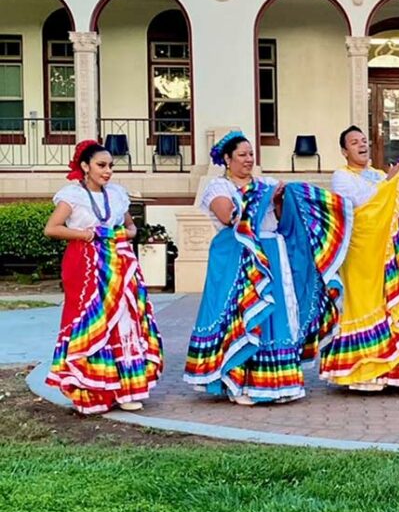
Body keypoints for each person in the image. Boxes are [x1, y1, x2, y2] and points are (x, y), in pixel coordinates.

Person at [184, 131, 351, 405]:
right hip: (238, 260)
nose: (248, 160)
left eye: (251, 154)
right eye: (242, 155)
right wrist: (265, 197)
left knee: (275, 315)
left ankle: (275, 383)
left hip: (273, 253)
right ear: (227, 159)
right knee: (244, 317)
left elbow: (282, 219)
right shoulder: (218, 188)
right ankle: (240, 383)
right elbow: (229, 218)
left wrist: (279, 200)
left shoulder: (265, 184)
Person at [43, 139, 163, 414]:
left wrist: (118, 236)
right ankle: (91, 391)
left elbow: (132, 229)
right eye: (101, 165)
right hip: (85, 264)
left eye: (110, 166)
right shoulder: (73, 195)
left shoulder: (118, 194)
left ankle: (126, 390)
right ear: (85, 166)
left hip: (119, 263)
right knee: (90, 320)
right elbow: (52, 228)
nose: (107, 171)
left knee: (124, 321)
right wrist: (87, 234)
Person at [319, 125, 399, 396]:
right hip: (359, 252)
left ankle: (398, 376)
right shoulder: (341, 176)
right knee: (364, 305)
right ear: (345, 151)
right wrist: (391, 182)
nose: (361, 145)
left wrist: (398, 180)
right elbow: (363, 202)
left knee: (393, 307)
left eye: (364, 141)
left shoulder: (379, 174)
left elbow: (394, 203)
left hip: (386, 252)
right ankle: (363, 376)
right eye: (354, 142)